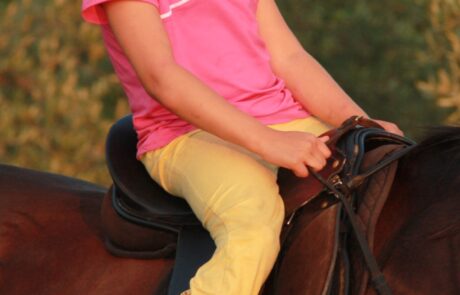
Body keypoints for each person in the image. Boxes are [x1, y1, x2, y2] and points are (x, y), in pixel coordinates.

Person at [81, 0, 402, 294]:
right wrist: (267, 141)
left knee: (387, 175)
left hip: (284, 120)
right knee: (253, 224)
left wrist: (360, 122)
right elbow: (161, 77)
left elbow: (290, 58)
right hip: (185, 134)